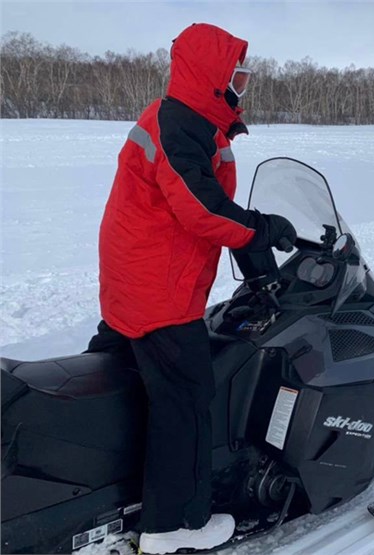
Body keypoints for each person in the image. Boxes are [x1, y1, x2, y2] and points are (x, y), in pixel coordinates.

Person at [87, 23, 296, 554]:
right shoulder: (180, 125)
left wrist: (255, 255)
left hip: (136, 276)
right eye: (237, 77)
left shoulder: (186, 121)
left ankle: (104, 484)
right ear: (211, 76)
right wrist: (263, 229)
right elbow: (202, 208)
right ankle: (174, 525)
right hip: (158, 289)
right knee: (186, 398)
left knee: (122, 380)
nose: (242, 88)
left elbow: (206, 204)